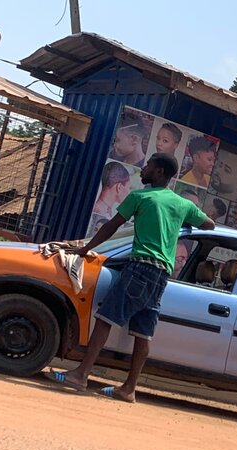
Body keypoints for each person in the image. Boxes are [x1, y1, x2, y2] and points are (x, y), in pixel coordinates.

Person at [44, 152, 215, 403]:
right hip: (161, 275)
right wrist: (179, 226)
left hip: (140, 267)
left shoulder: (140, 196)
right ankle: (128, 388)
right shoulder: (181, 204)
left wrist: (85, 249)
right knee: (143, 333)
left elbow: (111, 225)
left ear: (158, 172)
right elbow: (209, 224)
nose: (143, 170)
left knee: (105, 319)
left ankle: (81, 375)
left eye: (148, 166)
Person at [89, 162, 132, 235]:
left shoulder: (101, 209)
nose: (129, 192)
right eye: (129, 188)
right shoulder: (98, 211)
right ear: (119, 187)